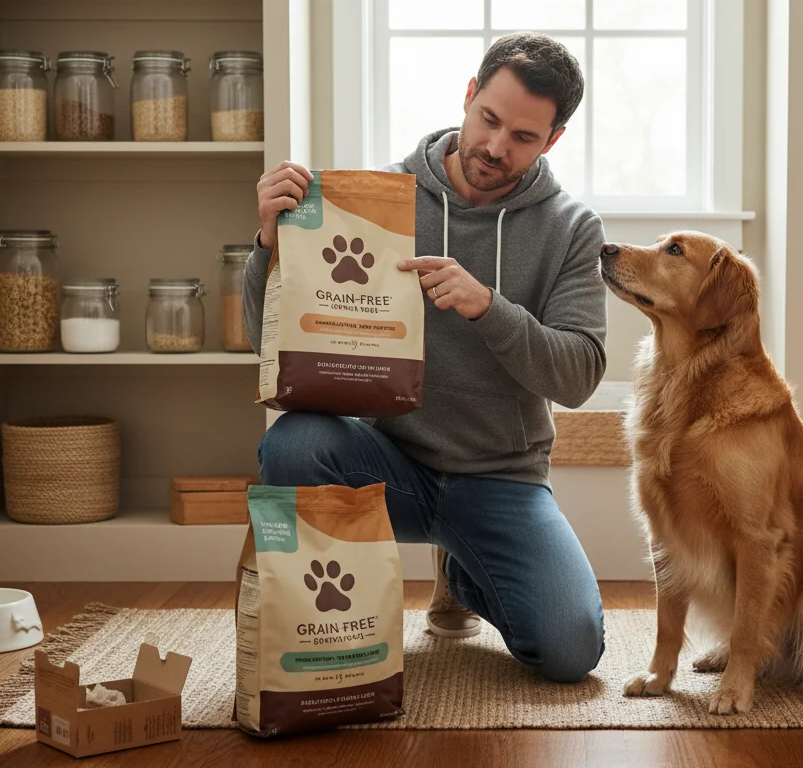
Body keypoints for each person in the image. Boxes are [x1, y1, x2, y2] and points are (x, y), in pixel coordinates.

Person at [244, 33, 609, 683]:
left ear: (552, 141)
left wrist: (488, 307)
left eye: (523, 137)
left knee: (570, 650)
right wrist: (268, 245)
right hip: (390, 466)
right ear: (468, 97)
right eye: (489, 120)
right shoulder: (377, 197)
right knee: (294, 441)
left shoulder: (571, 227)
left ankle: (464, 576)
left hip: (502, 477)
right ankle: (336, 627)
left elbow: (580, 375)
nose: (496, 148)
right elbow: (272, 349)